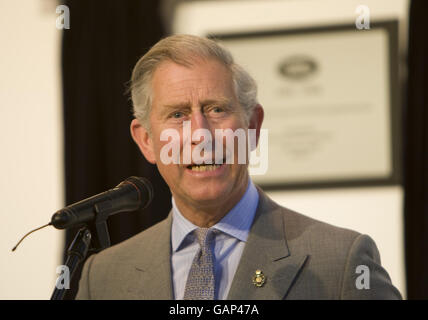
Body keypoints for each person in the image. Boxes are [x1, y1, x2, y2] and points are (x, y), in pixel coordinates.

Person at [75, 34, 402, 300]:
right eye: (177, 115)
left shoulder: (342, 263)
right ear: (146, 140)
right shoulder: (102, 277)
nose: (200, 135)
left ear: (253, 127)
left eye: (216, 109)